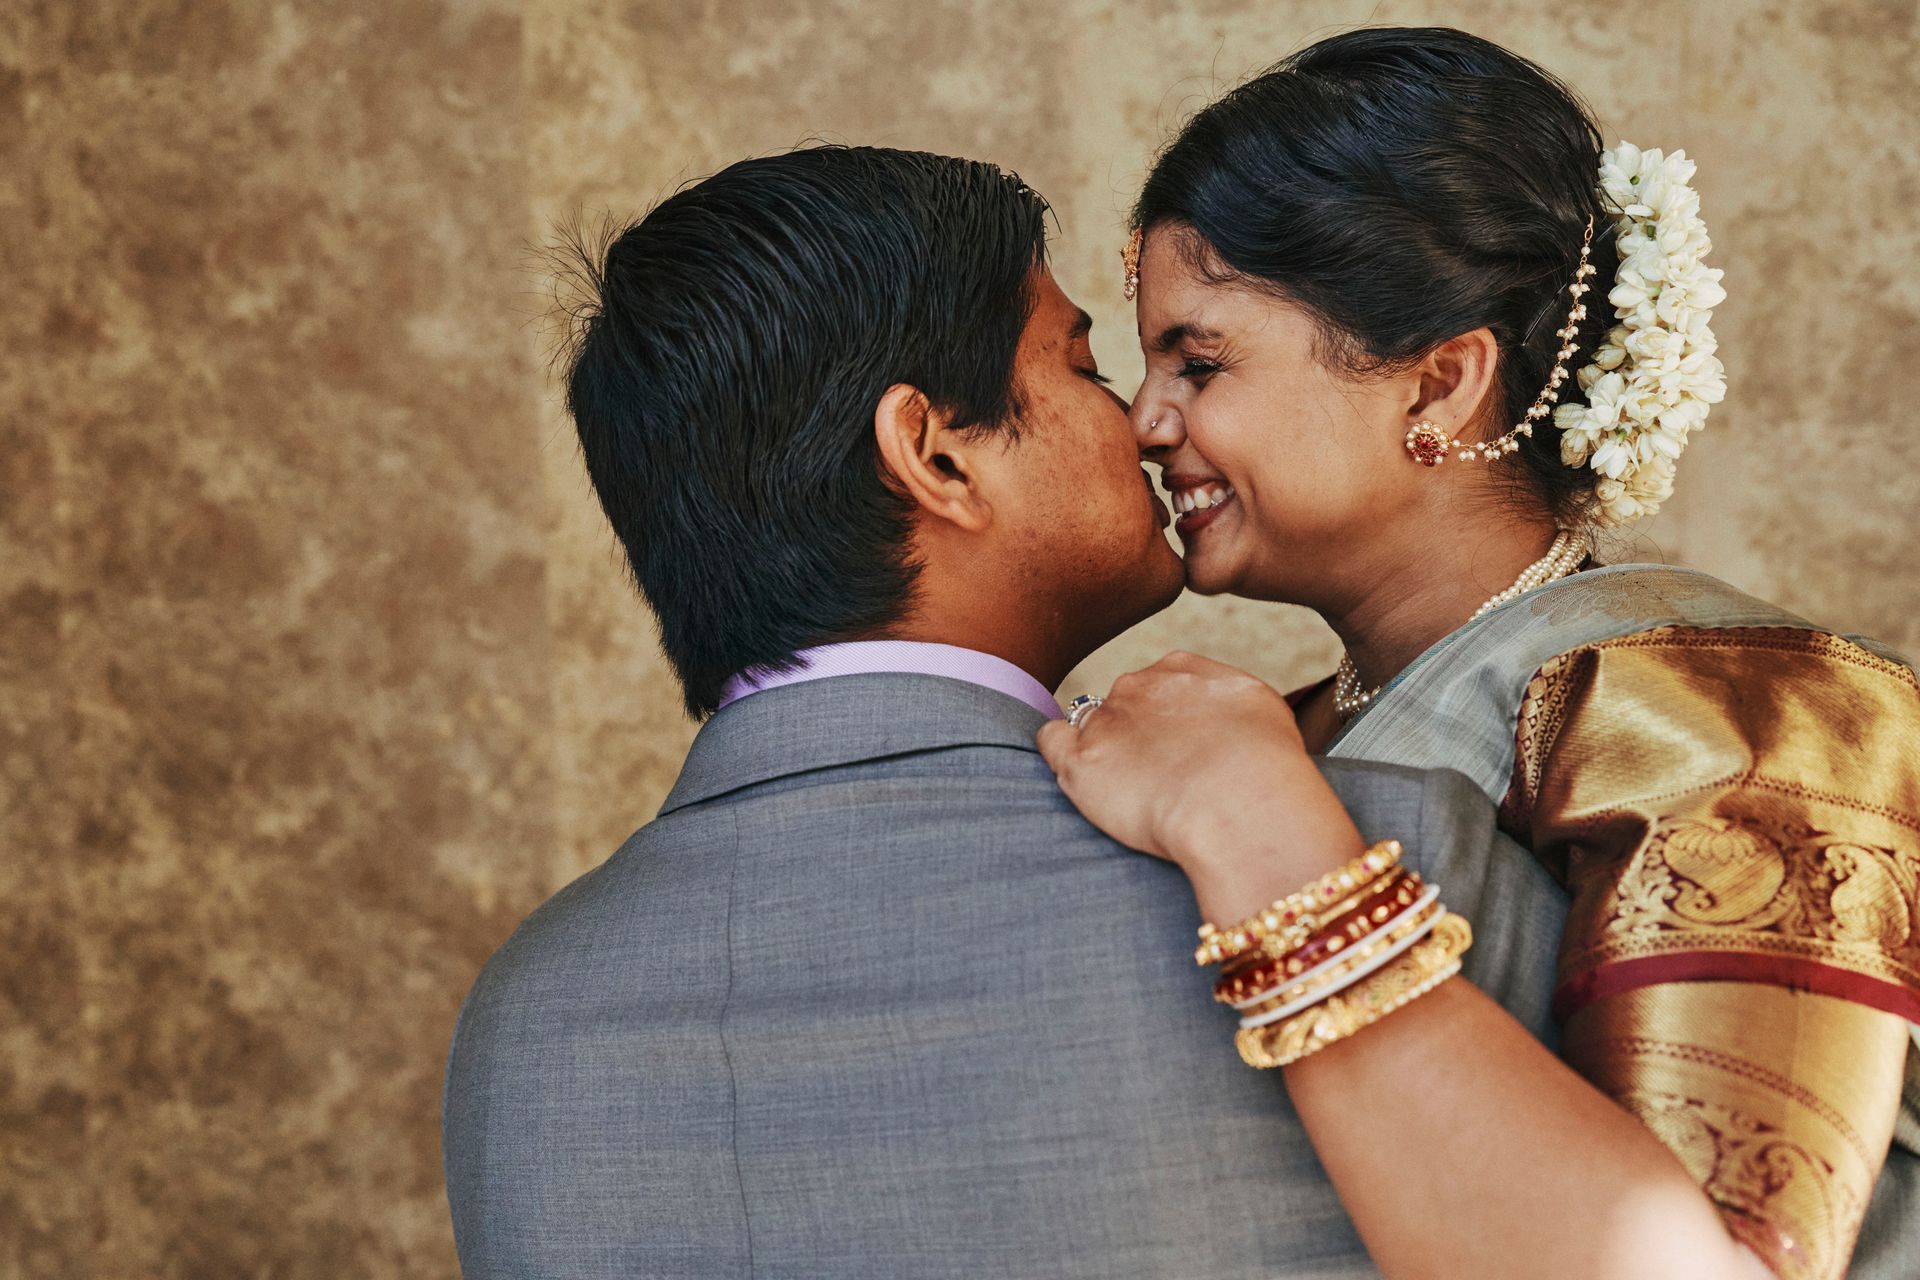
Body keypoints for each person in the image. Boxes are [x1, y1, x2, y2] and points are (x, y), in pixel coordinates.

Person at [439, 144, 1567, 1277]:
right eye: (1080, 366)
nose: (1141, 421)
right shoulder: (1364, 869)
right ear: (934, 454)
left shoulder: (524, 1023)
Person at [1039, 26, 1920, 1280]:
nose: (1143, 420)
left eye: (1201, 356)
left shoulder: (1748, 714)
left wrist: (1254, 822)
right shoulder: (1278, 734)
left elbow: (1725, 1261)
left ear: (1443, 384)